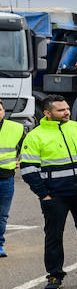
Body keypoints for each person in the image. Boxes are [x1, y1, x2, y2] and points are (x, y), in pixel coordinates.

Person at [20, 97, 77, 289]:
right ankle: (54, 276)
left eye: (67, 108)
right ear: (47, 113)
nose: (67, 112)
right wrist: (44, 194)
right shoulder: (35, 136)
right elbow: (28, 170)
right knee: (54, 236)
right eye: (61, 110)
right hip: (55, 196)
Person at [0, 100, 22, 258]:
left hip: (5, 178)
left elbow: (27, 147)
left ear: (3, 111)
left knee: (2, 214)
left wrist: (22, 160)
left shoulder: (16, 128)